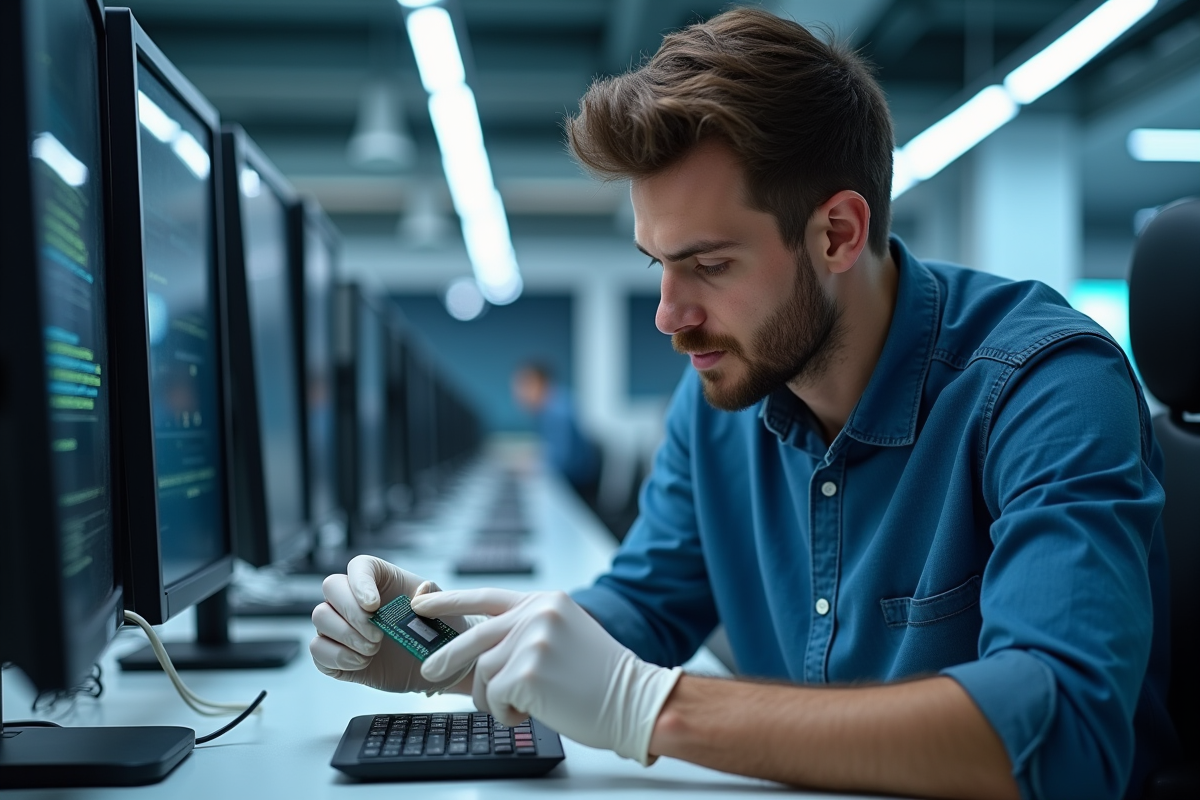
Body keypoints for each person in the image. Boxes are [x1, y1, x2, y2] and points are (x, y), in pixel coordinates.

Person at [309, 9, 1174, 799]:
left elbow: (1063, 734)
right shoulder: (718, 398)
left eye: (711, 265)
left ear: (838, 232)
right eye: (659, 264)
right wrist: (443, 650)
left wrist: (653, 710)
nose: (669, 317)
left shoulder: (1045, 383)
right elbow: (646, 609)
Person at [510, 361, 601, 504]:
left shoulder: (556, 411)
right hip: (574, 485)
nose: (518, 394)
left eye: (523, 386)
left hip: (577, 491)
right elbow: (553, 450)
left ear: (539, 383)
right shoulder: (554, 403)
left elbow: (561, 461)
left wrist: (532, 466)